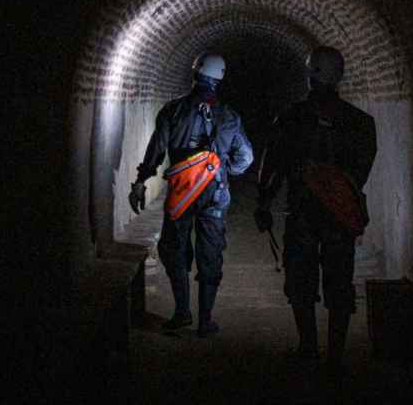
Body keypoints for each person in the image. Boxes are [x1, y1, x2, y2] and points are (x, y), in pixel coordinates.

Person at [255, 45, 377, 375]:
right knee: (339, 284)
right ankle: (335, 357)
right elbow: (361, 171)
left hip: (303, 212)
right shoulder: (361, 123)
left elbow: (273, 164)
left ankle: (308, 347)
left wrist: (264, 201)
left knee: (300, 282)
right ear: (340, 77)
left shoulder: (291, 118)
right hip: (339, 216)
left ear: (309, 76)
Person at [129, 52, 254, 337]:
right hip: (215, 195)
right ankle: (205, 320)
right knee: (210, 253)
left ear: (194, 73)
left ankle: (182, 312)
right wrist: (221, 171)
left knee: (174, 250)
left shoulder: (172, 111)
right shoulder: (230, 117)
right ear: (220, 79)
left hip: (181, 195)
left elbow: (156, 153)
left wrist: (140, 182)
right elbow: (245, 157)